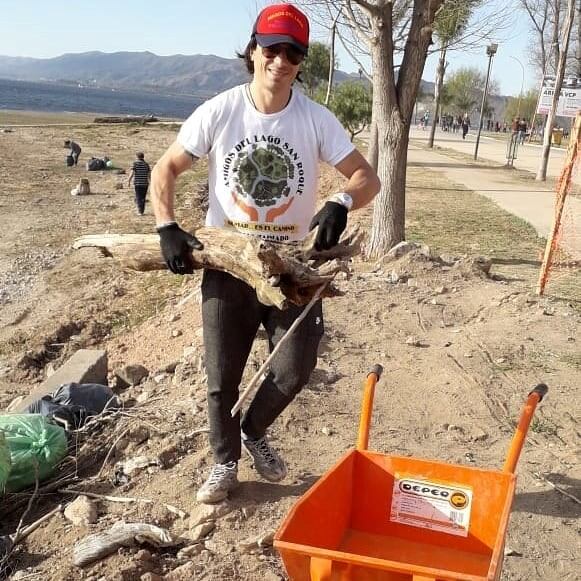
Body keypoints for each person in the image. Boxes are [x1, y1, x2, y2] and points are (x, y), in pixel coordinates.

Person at [151, 3, 380, 504]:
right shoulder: (220, 111)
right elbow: (166, 168)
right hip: (228, 262)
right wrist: (167, 226)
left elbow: (368, 177)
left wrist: (341, 202)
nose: (281, 60)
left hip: (292, 266)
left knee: (294, 369)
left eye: (293, 52)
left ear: (302, 60)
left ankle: (253, 431)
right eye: (272, 48)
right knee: (221, 377)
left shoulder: (316, 119)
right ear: (253, 50)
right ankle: (224, 462)